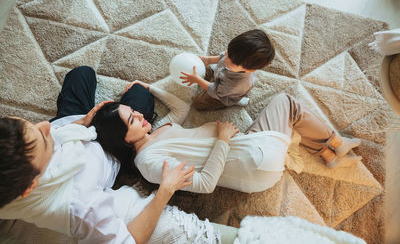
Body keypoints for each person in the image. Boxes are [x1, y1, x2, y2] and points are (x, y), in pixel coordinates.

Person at [0, 66, 225, 243]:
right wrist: (165, 190)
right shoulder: (81, 208)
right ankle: (129, 109)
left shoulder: (40, 141)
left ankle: (115, 111)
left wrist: (80, 122)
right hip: (112, 150)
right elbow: (129, 240)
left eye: (31, 125)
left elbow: (53, 130)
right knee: (140, 94)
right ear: (31, 186)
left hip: (79, 130)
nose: (46, 126)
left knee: (81, 74)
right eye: (42, 138)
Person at [92, 80, 362, 195]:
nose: (141, 115)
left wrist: (148, 87)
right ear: (125, 139)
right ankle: (336, 142)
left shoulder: (157, 131)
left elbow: (182, 108)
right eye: (132, 120)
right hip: (249, 155)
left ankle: (327, 153)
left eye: (134, 111)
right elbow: (204, 184)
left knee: (280, 118)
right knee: (287, 102)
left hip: (256, 168)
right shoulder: (149, 163)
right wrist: (222, 139)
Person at [180, 29, 275, 110]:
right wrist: (208, 60)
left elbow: (216, 91)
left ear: (249, 70)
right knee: (204, 69)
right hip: (220, 75)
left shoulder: (237, 84)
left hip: (223, 94)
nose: (226, 58)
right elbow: (221, 56)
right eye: (228, 52)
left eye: (231, 61)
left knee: (198, 103)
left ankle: (235, 102)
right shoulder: (233, 56)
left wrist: (198, 80)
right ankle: (209, 78)